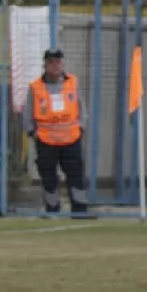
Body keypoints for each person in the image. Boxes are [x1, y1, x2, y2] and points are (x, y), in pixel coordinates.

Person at [24, 48, 89, 216]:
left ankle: (79, 210)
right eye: (51, 62)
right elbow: (27, 113)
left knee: (75, 175)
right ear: (44, 65)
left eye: (57, 62)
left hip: (71, 139)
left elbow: (81, 108)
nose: (54, 66)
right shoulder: (35, 87)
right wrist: (33, 133)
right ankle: (52, 210)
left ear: (63, 63)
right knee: (49, 177)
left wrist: (81, 127)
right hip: (46, 141)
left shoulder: (72, 82)